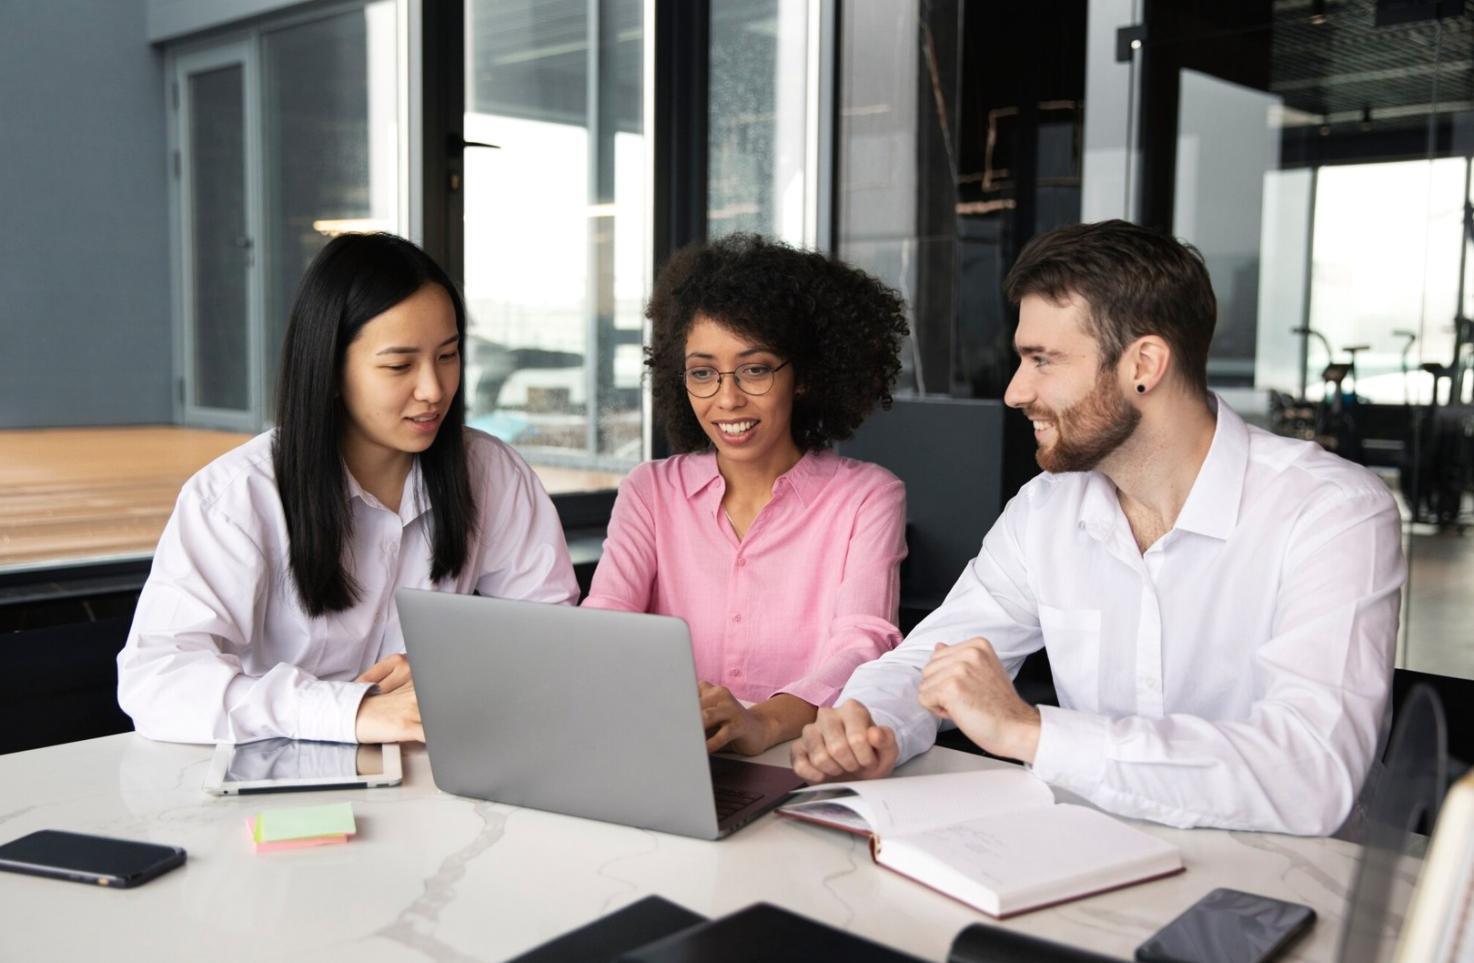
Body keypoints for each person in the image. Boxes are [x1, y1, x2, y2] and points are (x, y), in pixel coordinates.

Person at [791, 219, 1405, 836]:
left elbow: (1310, 774)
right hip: (1091, 859)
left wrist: (1031, 732)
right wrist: (867, 720)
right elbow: (933, 660)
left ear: (1144, 363)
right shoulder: (1045, 511)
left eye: (1042, 361)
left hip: (1285, 884)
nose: (1014, 391)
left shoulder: (1332, 512)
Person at [118, 233, 578, 745]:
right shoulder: (237, 496)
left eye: (447, 356)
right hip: (279, 777)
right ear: (331, 369)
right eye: (399, 365)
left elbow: (551, 638)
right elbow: (157, 680)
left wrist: (453, 668)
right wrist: (350, 712)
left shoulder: (491, 473)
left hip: (439, 768)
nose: (433, 389)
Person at [583, 233, 910, 756]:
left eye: (755, 369)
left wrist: (759, 722)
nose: (727, 399)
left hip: (801, 754)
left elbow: (863, 646)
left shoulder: (867, 497)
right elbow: (605, 620)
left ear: (803, 376)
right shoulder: (650, 491)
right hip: (665, 750)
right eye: (703, 373)